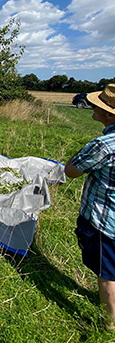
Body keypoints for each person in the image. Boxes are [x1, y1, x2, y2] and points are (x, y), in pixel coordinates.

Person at [65, 83, 115, 328]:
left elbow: (71, 170)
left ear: (108, 114)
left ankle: (109, 324)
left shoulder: (103, 145)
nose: (93, 107)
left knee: (107, 274)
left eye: (97, 105)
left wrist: (79, 153)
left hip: (105, 223)